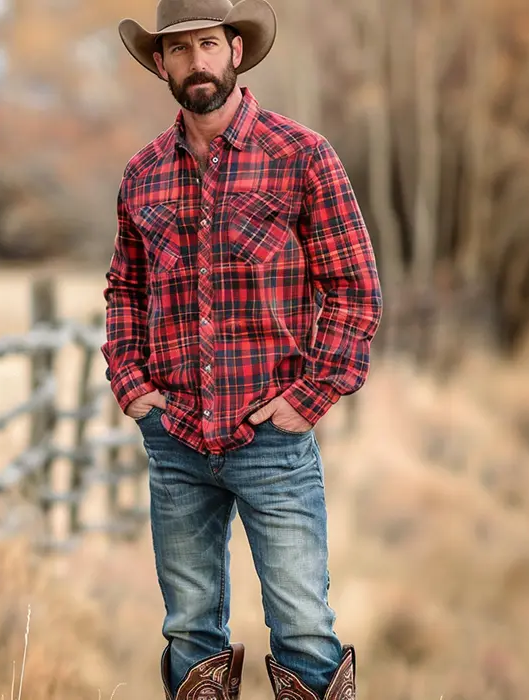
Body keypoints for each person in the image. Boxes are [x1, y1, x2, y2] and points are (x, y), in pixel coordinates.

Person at [101, 0, 382, 698]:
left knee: (304, 629)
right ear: (160, 64)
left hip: (272, 441)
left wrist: (307, 399)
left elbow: (355, 291)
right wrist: (132, 385)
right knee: (189, 631)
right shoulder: (143, 174)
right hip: (176, 441)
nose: (195, 61)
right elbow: (123, 292)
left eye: (207, 45)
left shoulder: (301, 156)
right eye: (178, 49)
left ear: (234, 50)